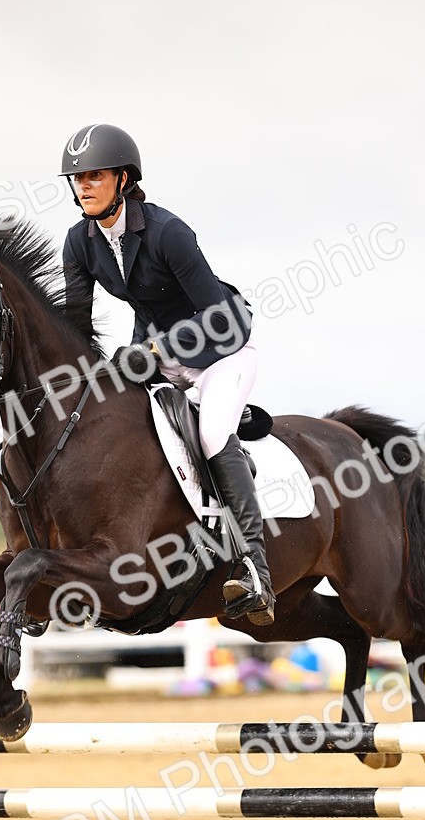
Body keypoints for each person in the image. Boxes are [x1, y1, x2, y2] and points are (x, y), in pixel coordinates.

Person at [60, 123, 275, 626]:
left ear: (123, 179)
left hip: (222, 350)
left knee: (211, 431)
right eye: (76, 178)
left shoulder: (168, 233)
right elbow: (75, 330)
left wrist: (153, 352)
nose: (83, 185)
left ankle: (254, 567)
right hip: (157, 355)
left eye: (94, 175)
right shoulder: (80, 243)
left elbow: (220, 320)